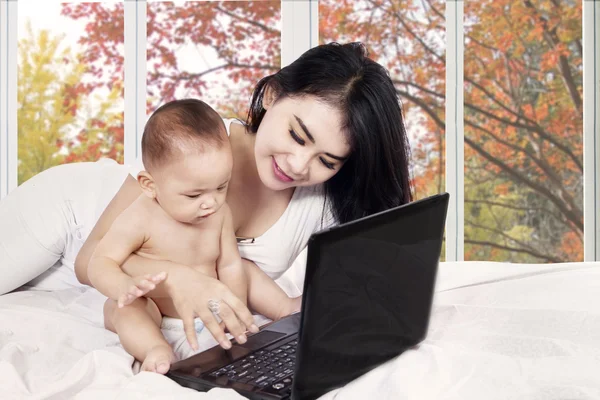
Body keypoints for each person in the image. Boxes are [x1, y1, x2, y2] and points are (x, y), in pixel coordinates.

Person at [0, 42, 413, 359]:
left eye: (327, 159)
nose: (299, 164)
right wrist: (180, 278)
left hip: (124, 296)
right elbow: (91, 258)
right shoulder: (202, 149)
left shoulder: (322, 201)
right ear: (271, 96)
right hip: (70, 220)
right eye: (296, 135)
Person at [86, 99, 299, 373]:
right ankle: (155, 348)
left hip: (209, 306)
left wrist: (231, 308)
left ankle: (284, 307)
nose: (210, 202)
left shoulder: (219, 213)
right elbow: (100, 261)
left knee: (246, 267)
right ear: (150, 186)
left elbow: (229, 265)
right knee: (123, 308)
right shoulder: (139, 217)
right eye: (194, 194)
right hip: (159, 312)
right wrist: (122, 286)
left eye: (221, 186)